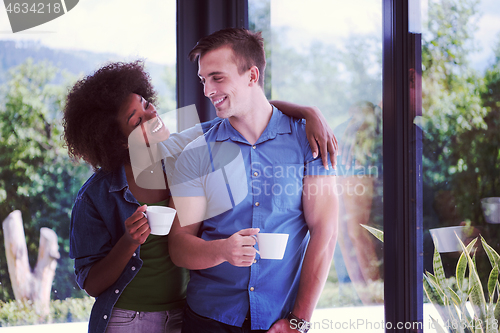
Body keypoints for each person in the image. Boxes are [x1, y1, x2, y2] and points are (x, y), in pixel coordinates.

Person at [63, 60, 338, 333]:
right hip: (127, 320)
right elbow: (91, 283)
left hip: (184, 315)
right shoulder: (96, 195)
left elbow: (250, 108)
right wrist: (129, 241)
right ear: (120, 140)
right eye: (137, 121)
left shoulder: (188, 151)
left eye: (147, 105)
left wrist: (309, 112)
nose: (152, 117)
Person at [168, 28, 339, 333]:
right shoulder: (197, 151)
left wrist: (299, 321)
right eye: (203, 80)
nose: (208, 90)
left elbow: (325, 232)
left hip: (280, 320)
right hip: (210, 319)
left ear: (251, 75)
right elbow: (179, 246)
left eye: (217, 78)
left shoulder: (307, 141)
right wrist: (222, 251)